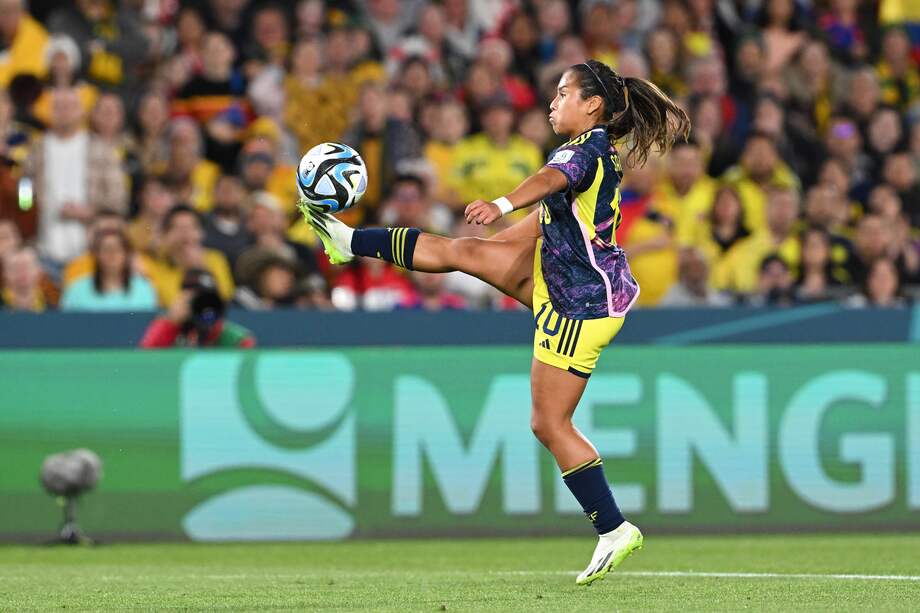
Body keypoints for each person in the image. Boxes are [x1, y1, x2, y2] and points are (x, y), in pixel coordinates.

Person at [299, 59, 690, 585]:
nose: (552, 102)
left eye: (562, 93)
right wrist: (509, 230)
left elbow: (554, 178)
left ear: (592, 104)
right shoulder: (599, 151)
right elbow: (560, 201)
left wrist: (501, 203)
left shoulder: (585, 149)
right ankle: (348, 242)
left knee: (549, 424)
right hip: (569, 279)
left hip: (579, 304)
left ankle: (614, 528)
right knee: (462, 251)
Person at [139, 268, 255, 348]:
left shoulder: (237, 340)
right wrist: (170, 323)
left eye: (207, 300)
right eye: (194, 299)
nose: (202, 306)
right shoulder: (167, 329)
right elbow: (145, 363)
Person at [60, 228, 157, 312]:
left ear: (127, 255)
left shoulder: (144, 289)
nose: (112, 254)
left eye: (118, 249)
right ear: (95, 254)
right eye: (106, 249)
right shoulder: (77, 290)